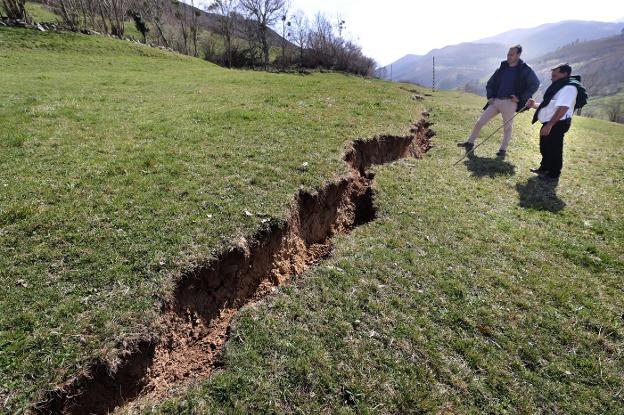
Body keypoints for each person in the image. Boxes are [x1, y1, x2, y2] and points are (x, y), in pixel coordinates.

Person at [457, 45, 539, 158]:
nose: (509, 57)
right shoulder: (502, 68)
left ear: (518, 55)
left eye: (512, 54)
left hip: (510, 103)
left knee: (507, 127)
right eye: (508, 54)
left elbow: (535, 84)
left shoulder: (525, 69)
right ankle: (470, 142)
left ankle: (502, 150)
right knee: (480, 122)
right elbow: (490, 83)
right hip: (496, 101)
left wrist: (520, 97)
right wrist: (490, 97)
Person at [526, 63, 587, 182]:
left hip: (558, 123)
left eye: (555, 74)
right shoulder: (560, 86)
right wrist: (533, 105)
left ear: (564, 74)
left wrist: (549, 125)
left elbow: (563, 108)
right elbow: (550, 105)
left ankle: (553, 175)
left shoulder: (569, 88)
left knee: (554, 149)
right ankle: (544, 169)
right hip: (552, 122)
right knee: (545, 147)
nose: (552, 77)